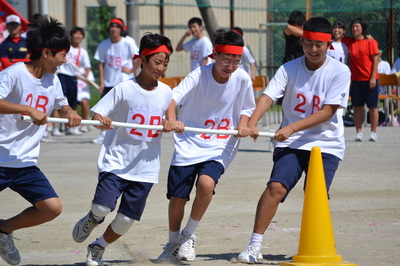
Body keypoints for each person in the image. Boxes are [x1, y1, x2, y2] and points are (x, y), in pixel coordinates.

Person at [236, 17, 351, 263]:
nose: (313, 49)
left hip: (326, 143)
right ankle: (254, 246)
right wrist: (252, 122)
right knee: (275, 187)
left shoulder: (340, 71)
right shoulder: (288, 68)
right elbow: (268, 97)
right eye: (308, 43)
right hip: (292, 143)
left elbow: (328, 112)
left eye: (319, 44)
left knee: (315, 192)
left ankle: (318, 244)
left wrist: (292, 127)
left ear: (329, 44)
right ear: (301, 41)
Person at [72, 33, 173, 266]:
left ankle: (98, 246)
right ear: (142, 60)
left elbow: (171, 119)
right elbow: (98, 114)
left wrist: (171, 123)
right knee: (101, 206)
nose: (161, 68)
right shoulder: (124, 89)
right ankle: (92, 218)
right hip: (116, 161)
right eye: (157, 62)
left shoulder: (167, 92)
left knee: (125, 220)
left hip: (145, 167)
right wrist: (101, 120)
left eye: (165, 63)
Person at [157, 30, 255, 263]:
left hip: (220, 144)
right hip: (189, 142)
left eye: (235, 61)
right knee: (178, 199)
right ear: (214, 55)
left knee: (206, 183)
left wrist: (243, 124)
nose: (230, 66)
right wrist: (171, 118)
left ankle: (189, 235)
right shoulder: (199, 75)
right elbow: (173, 97)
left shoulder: (242, 78)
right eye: (225, 60)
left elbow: (247, 108)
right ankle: (172, 242)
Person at [0, 16, 81, 265]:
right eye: (62, 55)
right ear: (46, 52)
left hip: (25, 163)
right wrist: (26, 109)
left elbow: (62, 103)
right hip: (1, 157)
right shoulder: (13, 74)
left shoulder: (52, 80)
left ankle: (3, 231)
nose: (65, 60)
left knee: (51, 208)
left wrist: (70, 112)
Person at [92, 17, 137, 144]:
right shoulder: (103, 44)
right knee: (104, 109)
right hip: (109, 81)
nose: (114, 29)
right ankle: (103, 133)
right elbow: (101, 64)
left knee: (127, 108)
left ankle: (128, 132)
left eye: (117, 26)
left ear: (121, 29)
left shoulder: (128, 42)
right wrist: (101, 82)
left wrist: (131, 70)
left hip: (124, 81)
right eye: (112, 26)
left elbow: (138, 58)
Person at [342, 18, 379, 142]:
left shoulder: (371, 42)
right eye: (353, 27)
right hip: (356, 80)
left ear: (362, 28)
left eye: (357, 26)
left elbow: (375, 60)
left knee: (373, 107)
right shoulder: (350, 42)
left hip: (370, 79)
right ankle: (359, 132)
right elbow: (338, 36)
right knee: (357, 107)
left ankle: (373, 132)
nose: (355, 29)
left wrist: (373, 77)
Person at [57, 27, 91, 136]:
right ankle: (55, 126)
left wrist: (85, 73)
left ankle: (71, 126)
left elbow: (87, 67)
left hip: (73, 78)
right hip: (63, 75)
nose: (78, 36)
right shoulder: (65, 48)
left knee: (72, 102)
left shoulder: (83, 52)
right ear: (71, 35)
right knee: (59, 101)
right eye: (75, 34)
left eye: (80, 34)